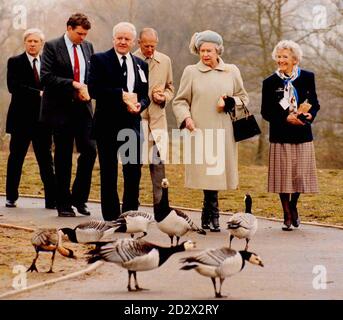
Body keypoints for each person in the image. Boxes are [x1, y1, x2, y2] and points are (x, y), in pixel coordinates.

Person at [172, 30, 249, 232]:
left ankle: (209, 213)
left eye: (209, 50)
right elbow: (180, 101)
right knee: (208, 172)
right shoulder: (191, 71)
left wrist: (230, 101)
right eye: (202, 50)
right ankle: (212, 213)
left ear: (218, 50)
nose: (205, 54)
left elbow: (244, 98)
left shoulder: (231, 71)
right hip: (200, 129)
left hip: (224, 131)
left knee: (216, 173)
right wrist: (186, 118)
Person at [88, 22, 150, 221]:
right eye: (119, 38)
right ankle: (111, 217)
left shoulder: (141, 65)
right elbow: (93, 89)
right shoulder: (99, 59)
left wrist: (141, 104)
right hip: (107, 125)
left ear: (133, 42)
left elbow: (144, 95)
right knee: (109, 172)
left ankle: (130, 215)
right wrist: (120, 95)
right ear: (113, 39)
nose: (123, 42)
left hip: (132, 124)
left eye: (127, 39)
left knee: (133, 172)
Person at [40, 13, 97, 217]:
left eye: (85, 34)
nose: (82, 38)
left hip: (83, 108)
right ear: (69, 28)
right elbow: (45, 77)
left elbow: (91, 75)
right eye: (79, 33)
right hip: (60, 109)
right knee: (63, 156)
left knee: (90, 151)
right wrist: (72, 84)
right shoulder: (52, 46)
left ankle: (79, 198)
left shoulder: (88, 47)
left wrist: (89, 89)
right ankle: (63, 203)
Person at [261, 40, 320, 231]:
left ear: (294, 59)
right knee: (283, 176)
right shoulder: (269, 82)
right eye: (278, 57)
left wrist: (310, 115)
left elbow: (314, 103)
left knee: (299, 175)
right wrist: (286, 118)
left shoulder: (307, 77)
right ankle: (286, 212)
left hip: (302, 134)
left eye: (284, 57)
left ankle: (294, 204)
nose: (280, 60)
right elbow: (266, 111)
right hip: (281, 135)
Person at [5, 28, 56, 209]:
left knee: (46, 160)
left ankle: (52, 199)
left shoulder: (48, 64)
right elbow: (14, 87)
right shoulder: (15, 62)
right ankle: (11, 196)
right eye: (29, 41)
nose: (33, 44)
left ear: (41, 44)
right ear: (25, 43)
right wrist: (40, 94)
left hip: (43, 121)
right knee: (16, 158)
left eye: (36, 41)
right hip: (20, 120)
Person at [134, 28, 174, 208]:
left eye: (153, 46)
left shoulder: (165, 60)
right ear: (138, 43)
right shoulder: (130, 59)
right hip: (137, 119)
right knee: (134, 164)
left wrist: (164, 96)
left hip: (158, 120)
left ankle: (160, 205)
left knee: (158, 165)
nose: (149, 49)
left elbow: (170, 87)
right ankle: (132, 204)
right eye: (146, 45)